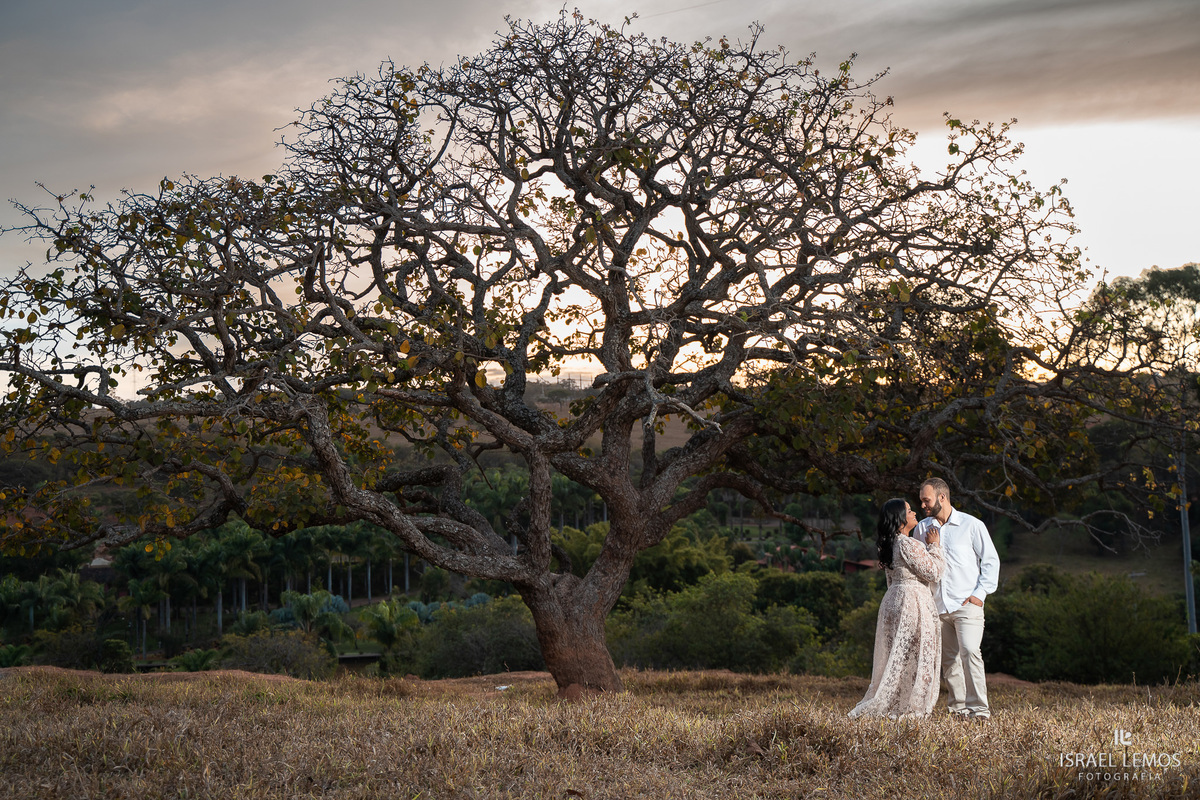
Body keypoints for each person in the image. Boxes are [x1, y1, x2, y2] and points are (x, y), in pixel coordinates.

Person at [848, 498, 945, 719]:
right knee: (918, 653)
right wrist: (934, 546)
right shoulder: (907, 543)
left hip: (893, 599)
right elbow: (934, 572)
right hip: (913, 600)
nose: (914, 514)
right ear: (900, 519)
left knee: (898, 654)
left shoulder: (888, 544)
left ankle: (897, 701)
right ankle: (911, 705)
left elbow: (891, 580)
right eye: (909, 511)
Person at [914, 477, 1000, 721]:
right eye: (921, 501)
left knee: (971, 651)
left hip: (967, 604)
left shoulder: (972, 525)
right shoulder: (922, 529)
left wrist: (979, 595)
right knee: (949, 660)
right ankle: (958, 710)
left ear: (942, 497)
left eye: (926, 500)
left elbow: (991, 561)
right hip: (938, 606)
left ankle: (979, 711)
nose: (923, 505)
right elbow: (921, 565)